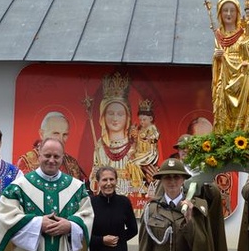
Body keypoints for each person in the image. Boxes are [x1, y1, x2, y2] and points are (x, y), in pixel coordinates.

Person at [211, 0, 249, 135]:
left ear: (238, 12)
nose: (228, 14)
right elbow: (217, 58)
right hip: (224, 76)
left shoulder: (246, 32)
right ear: (220, 13)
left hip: (243, 77)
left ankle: (244, 136)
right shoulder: (219, 35)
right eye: (225, 10)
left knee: (246, 106)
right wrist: (216, 58)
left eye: (232, 10)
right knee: (222, 104)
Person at [89, 72, 145, 200]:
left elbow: (142, 178)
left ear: (127, 117)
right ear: (103, 116)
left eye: (120, 114)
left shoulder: (135, 144)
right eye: (110, 113)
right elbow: (94, 182)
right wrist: (95, 175)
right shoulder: (100, 146)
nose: (115, 119)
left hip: (130, 198)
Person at [17, 111, 87, 181]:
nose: (61, 139)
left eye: (65, 134)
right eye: (56, 133)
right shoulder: (26, 162)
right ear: (41, 134)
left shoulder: (72, 164)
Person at [130, 99, 160, 184]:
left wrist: (148, 138)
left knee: (135, 164)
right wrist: (134, 135)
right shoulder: (140, 129)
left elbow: (155, 137)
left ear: (150, 118)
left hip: (149, 153)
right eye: (140, 120)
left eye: (144, 119)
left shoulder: (152, 128)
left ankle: (138, 183)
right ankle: (135, 182)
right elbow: (136, 141)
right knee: (129, 163)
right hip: (139, 152)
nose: (142, 122)